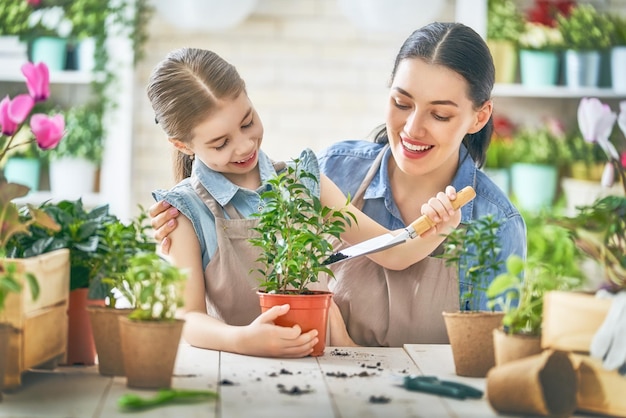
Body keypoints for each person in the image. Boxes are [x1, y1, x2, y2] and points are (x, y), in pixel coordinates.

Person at [149, 22, 527, 347]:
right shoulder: (333, 169)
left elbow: (393, 253)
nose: (245, 145)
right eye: (401, 102)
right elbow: (187, 317)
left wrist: (437, 229)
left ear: (479, 117)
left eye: (440, 114)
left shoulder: (497, 222)